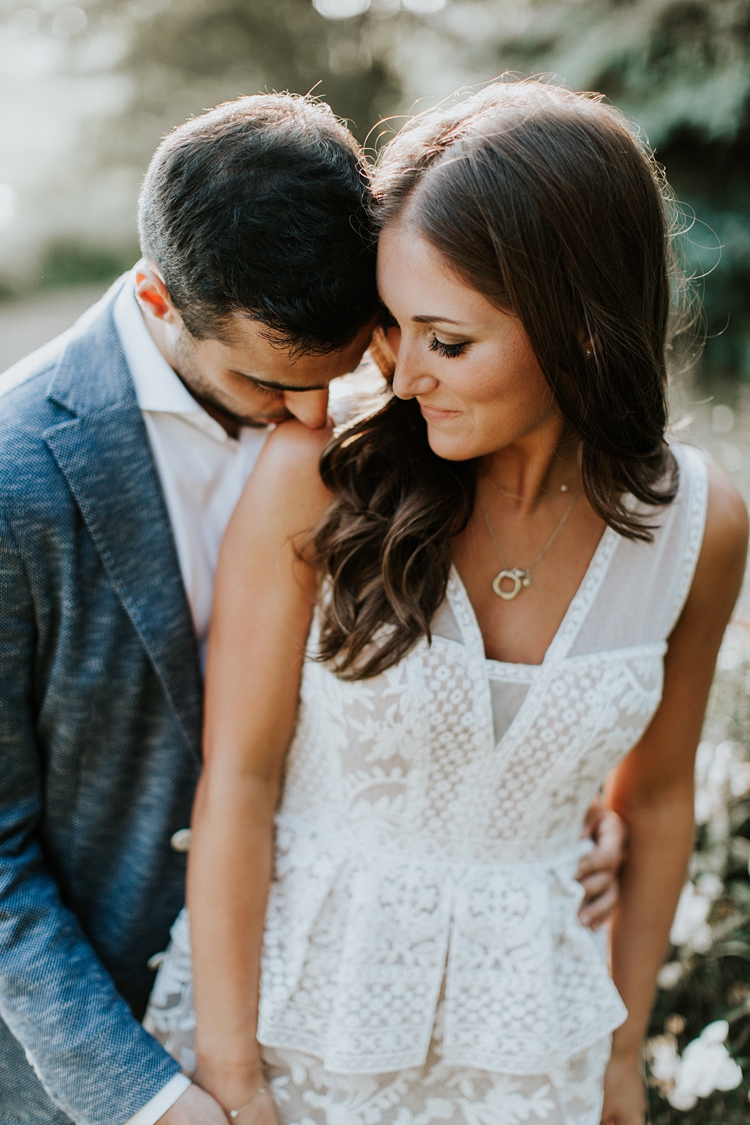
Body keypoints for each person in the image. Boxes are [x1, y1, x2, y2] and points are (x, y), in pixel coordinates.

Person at [0, 91, 621, 1125]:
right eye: (266, 384)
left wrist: (557, 814)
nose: (311, 418)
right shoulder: (14, 483)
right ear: (160, 303)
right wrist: (149, 1099)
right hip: (107, 1061)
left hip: (350, 1029)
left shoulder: (406, 404)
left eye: (340, 371)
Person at [145, 80, 748, 1125]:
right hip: (298, 1031)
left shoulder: (700, 527)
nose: (402, 373)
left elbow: (650, 806)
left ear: (585, 330)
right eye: (394, 326)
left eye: (448, 340)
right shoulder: (320, 478)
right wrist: (231, 1074)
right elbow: (236, 783)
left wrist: (618, 1058)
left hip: (530, 1051)